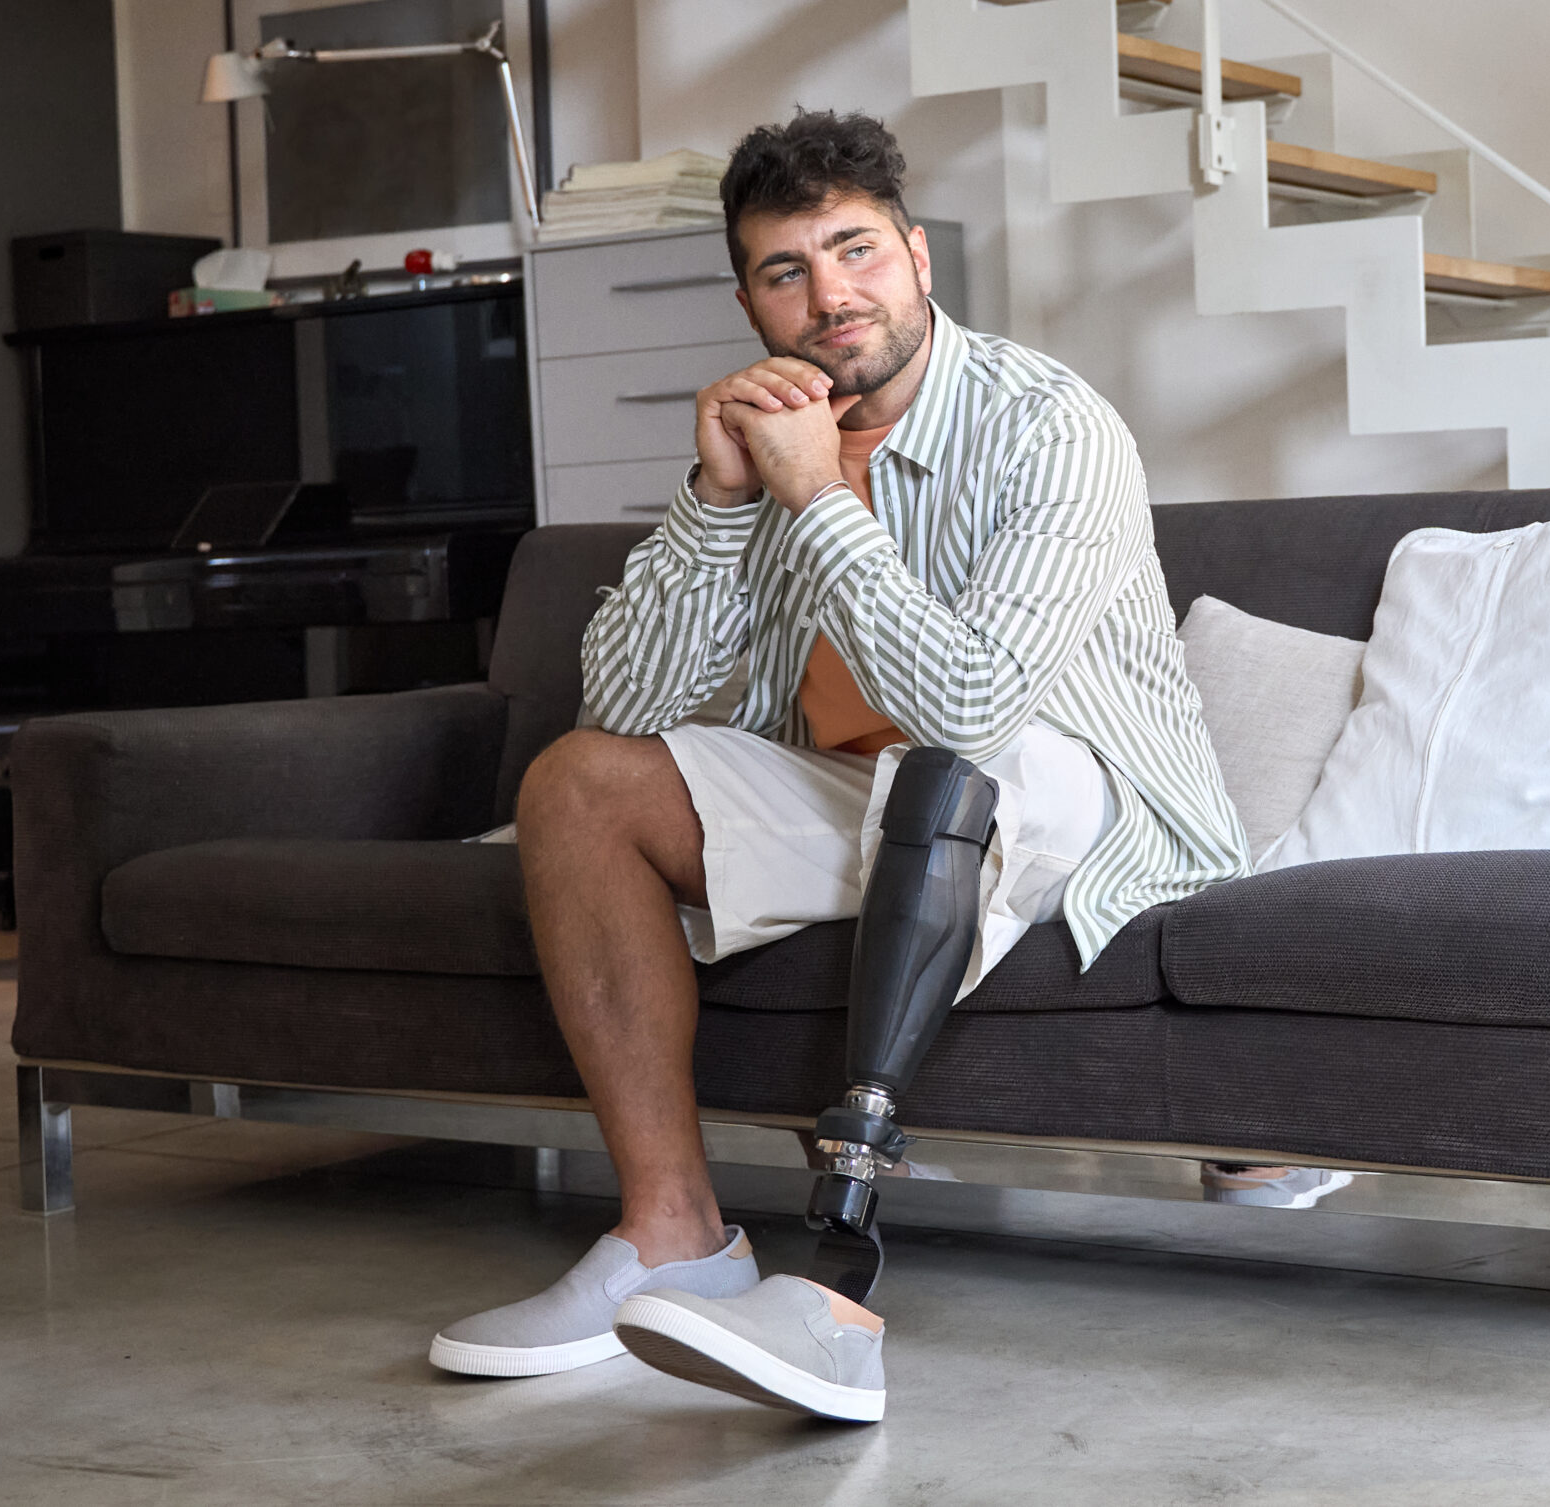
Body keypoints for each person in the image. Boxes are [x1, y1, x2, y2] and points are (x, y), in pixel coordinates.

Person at [427, 109, 1247, 1420]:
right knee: (578, 781)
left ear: (920, 259)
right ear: (748, 297)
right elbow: (625, 705)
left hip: (1069, 791)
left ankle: (839, 1279)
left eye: (855, 250)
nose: (830, 296)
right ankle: (675, 1237)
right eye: (784, 270)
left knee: (971, 766)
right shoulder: (762, 444)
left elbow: (972, 709)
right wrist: (718, 500)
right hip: (858, 796)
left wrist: (817, 497)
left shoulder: (1054, 426)